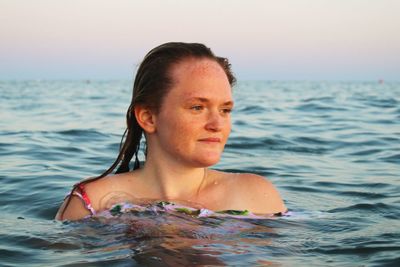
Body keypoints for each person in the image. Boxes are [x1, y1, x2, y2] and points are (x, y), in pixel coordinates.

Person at [56, 42, 286, 221]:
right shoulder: (92, 203)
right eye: (197, 107)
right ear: (148, 117)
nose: (217, 124)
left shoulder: (256, 196)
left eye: (225, 110)